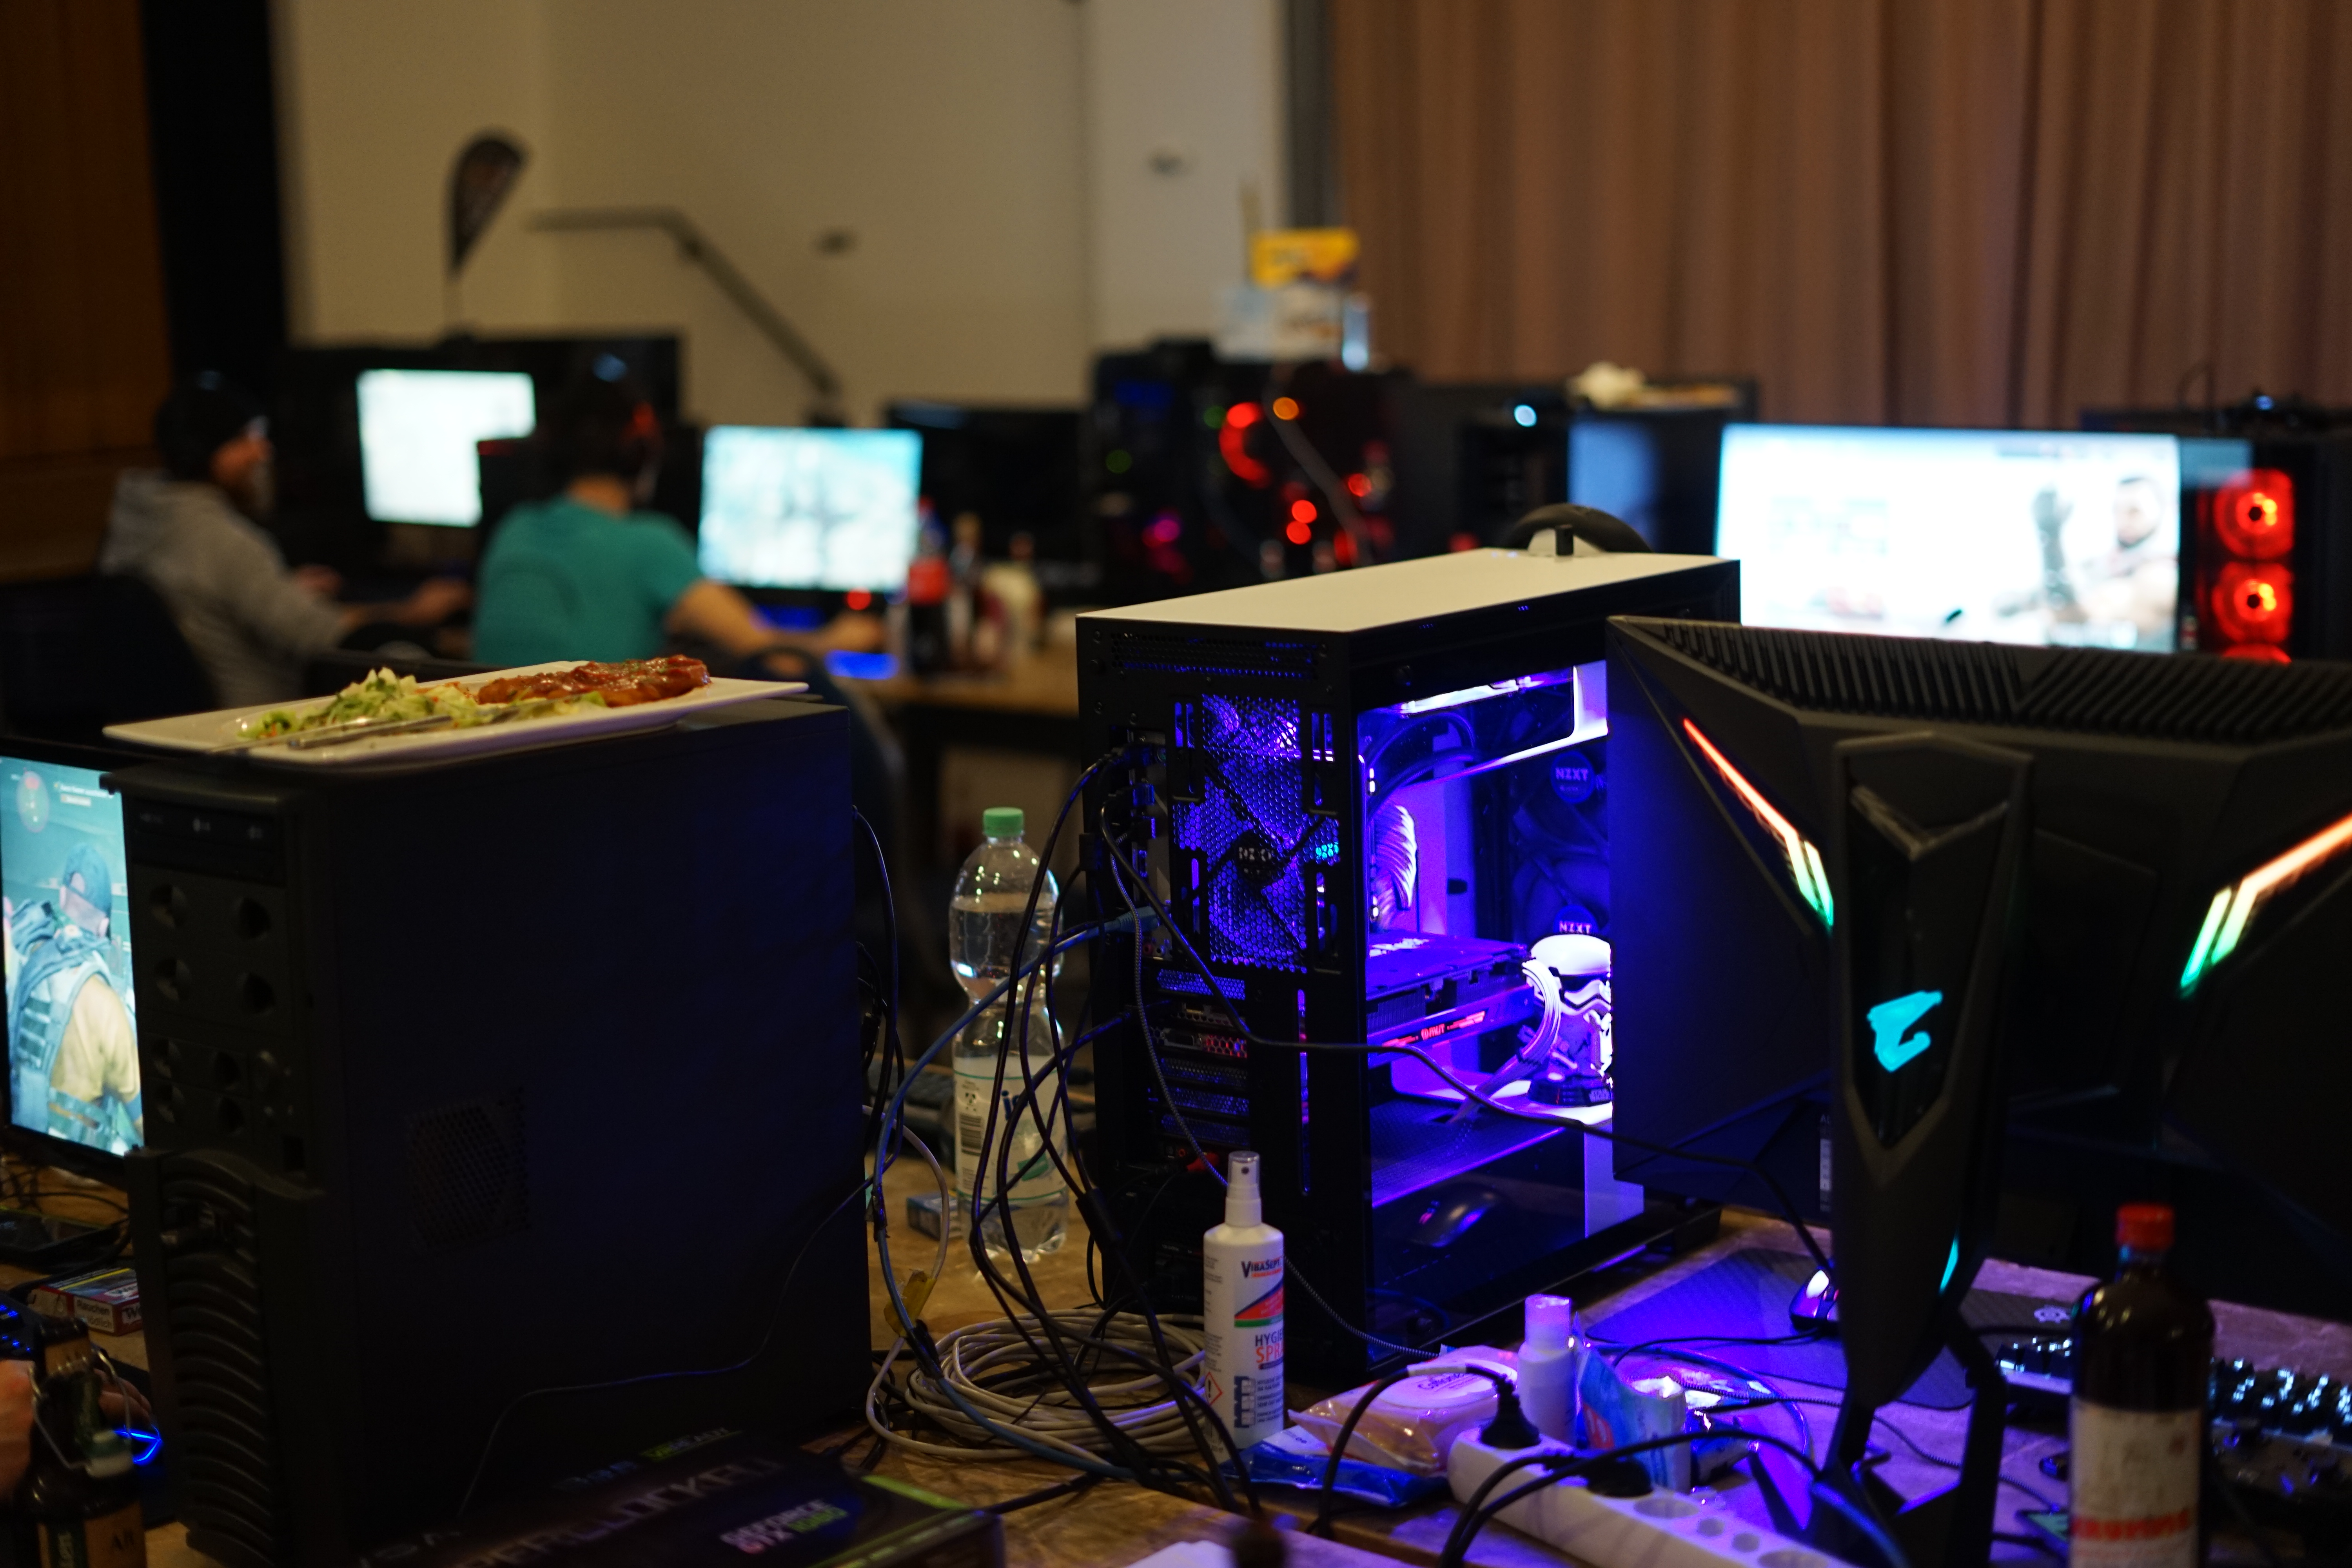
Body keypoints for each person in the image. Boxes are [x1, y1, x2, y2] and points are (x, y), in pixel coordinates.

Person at [102, 374, 471, 708]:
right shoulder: (222, 540)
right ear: (213, 452)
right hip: (252, 717)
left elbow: (202, 591)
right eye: (249, 437)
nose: (263, 451)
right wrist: (415, 611)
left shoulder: (139, 516)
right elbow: (321, 635)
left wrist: (279, 589)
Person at [472, 372, 880, 673]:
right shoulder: (650, 544)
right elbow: (773, 656)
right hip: (592, 749)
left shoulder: (515, 528)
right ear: (643, 456)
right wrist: (840, 639)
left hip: (498, 751)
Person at [4, 842, 140, 1155]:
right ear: (104, 927)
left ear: (63, 896)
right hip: (77, 1170)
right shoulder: (108, 1008)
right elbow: (148, 1122)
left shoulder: (24, 956)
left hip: (17, 1152)